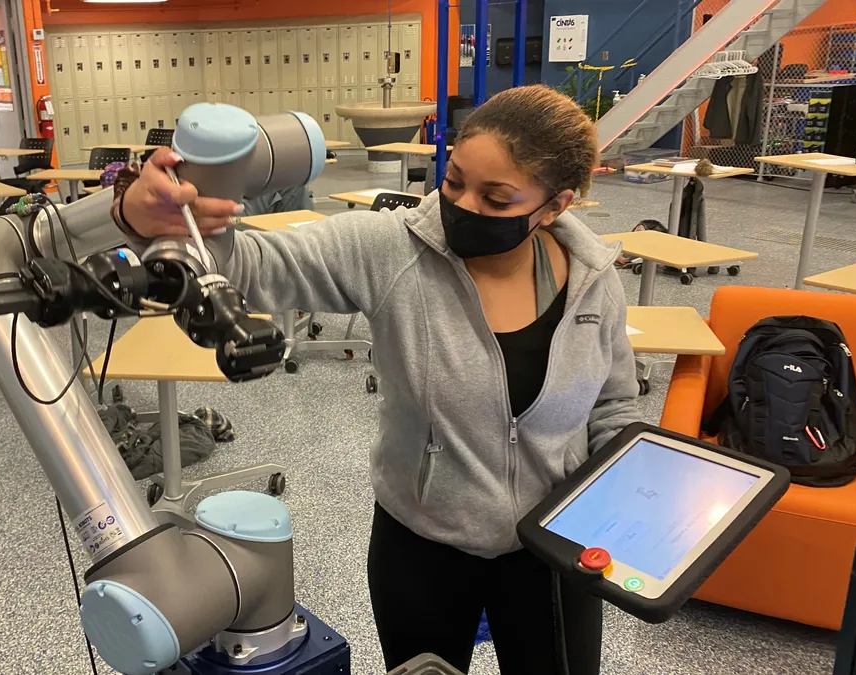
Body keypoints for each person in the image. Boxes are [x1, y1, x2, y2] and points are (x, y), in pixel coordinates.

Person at [110, 85, 641, 675]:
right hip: (423, 547)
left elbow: (614, 405)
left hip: (553, 552)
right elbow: (251, 266)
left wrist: (632, 508)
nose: (463, 206)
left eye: (497, 198)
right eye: (454, 180)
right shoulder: (389, 249)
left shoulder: (595, 279)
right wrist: (167, 215)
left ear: (555, 204)